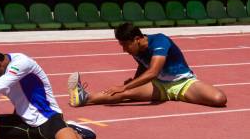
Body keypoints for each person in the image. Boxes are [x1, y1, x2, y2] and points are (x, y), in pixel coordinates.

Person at [68, 23, 227, 108]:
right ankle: (84, 97)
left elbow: (152, 71)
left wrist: (125, 86)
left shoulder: (160, 41)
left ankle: (183, 96)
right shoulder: (135, 49)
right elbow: (143, 66)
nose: (124, 50)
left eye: (125, 45)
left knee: (219, 99)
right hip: (159, 86)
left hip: (183, 84)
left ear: (137, 39)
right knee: (125, 95)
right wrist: (133, 84)